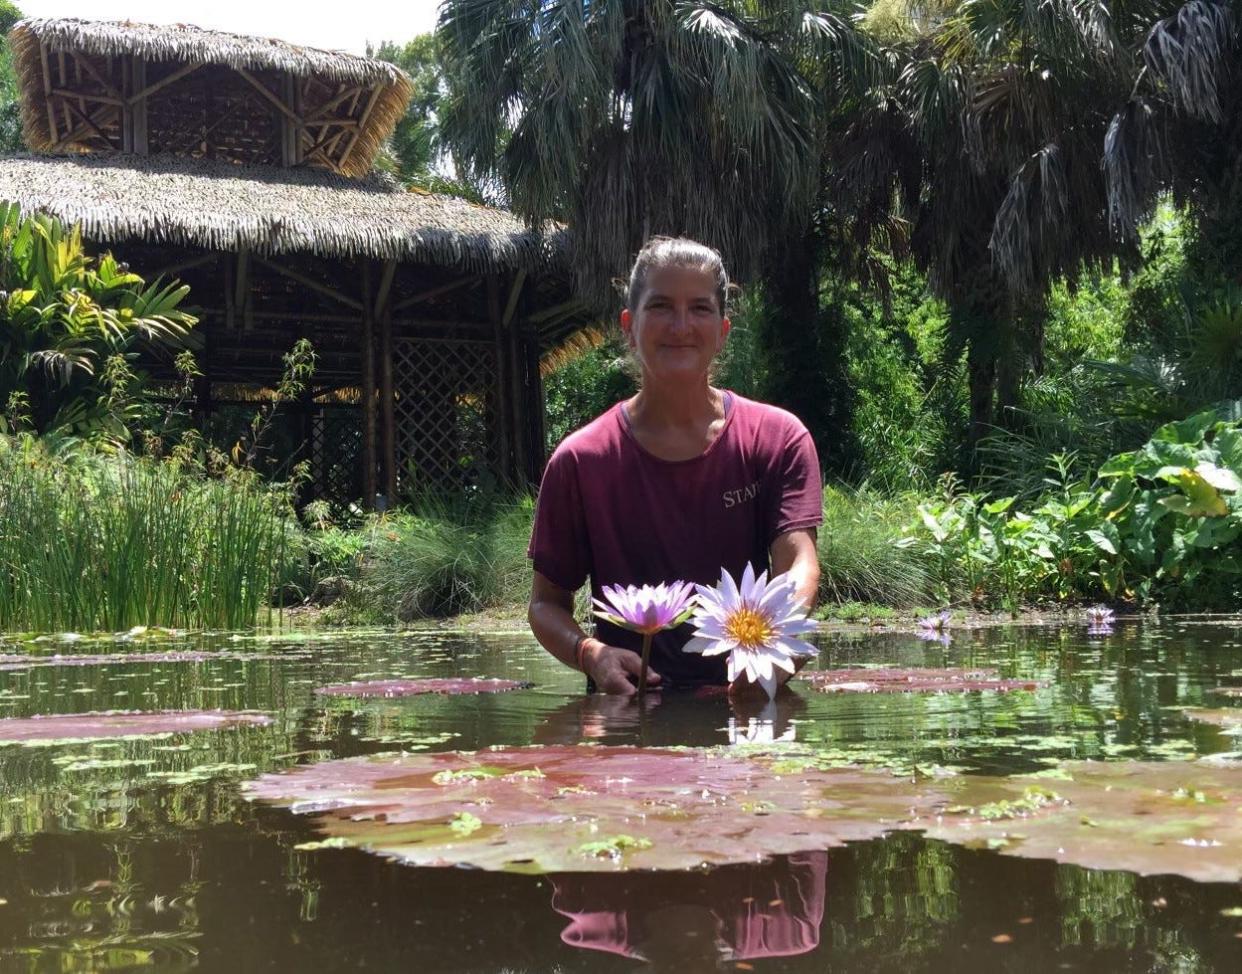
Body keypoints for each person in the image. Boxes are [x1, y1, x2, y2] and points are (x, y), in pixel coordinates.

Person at [527, 237, 822, 695]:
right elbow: (545, 605)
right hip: (627, 720)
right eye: (661, 305)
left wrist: (774, 645)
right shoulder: (579, 460)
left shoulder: (778, 438)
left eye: (700, 308)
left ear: (723, 330)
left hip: (748, 703)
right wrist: (590, 654)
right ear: (629, 326)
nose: (681, 325)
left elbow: (799, 563)